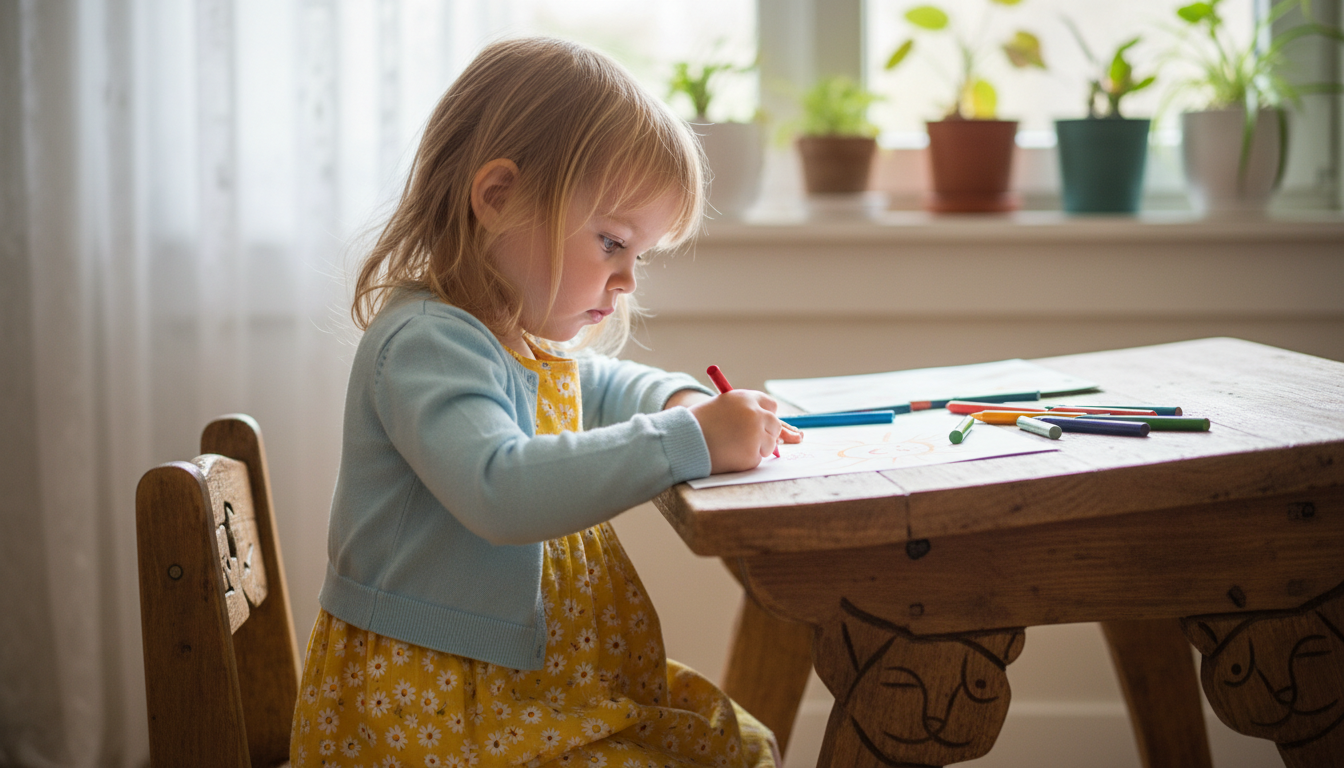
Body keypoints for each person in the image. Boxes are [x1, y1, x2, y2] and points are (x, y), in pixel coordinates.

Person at [290, 37, 802, 768]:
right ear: (498, 199)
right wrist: (686, 439)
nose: (626, 281)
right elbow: (503, 488)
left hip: (507, 692)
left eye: (638, 257)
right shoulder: (428, 344)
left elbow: (598, 388)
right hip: (427, 713)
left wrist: (683, 399)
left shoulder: (507, 340)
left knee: (734, 745)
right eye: (612, 243)